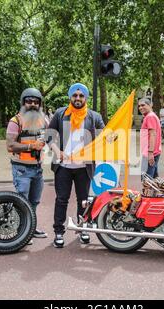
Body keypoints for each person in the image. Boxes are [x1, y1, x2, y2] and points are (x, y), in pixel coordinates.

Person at [48, 83, 105, 248]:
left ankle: (83, 229)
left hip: (84, 167)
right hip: (63, 167)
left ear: (86, 98)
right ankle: (59, 232)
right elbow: (49, 135)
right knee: (61, 200)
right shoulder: (60, 114)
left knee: (84, 201)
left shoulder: (94, 116)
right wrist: (57, 152)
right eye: (75, 95)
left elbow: (104, 136)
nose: (78, 98)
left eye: (81, 96)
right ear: (70, 97)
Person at [6, 88, 48, 244]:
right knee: (22, 201)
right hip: (21, 169)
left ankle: (31, 228)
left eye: (36, 102)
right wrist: (31, 147)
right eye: (29, 101)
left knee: (34, 201)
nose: (32, 104)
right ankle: (21, 231)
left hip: (37, 168)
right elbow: (10, 146)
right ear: (23, 102)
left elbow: (51, 136)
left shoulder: (43, 120)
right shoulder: (15, 121)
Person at [138, 98, 162, 179]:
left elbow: (153, 134)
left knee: (146, 181)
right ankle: (157, 191)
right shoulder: (151, 116)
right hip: (154, 152)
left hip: (150, 153)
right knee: (155, 179)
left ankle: (148, 192)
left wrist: (150, 153)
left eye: (143, 105)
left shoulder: (150, 117)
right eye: (139, 106)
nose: (140, 107)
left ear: (149, 105)